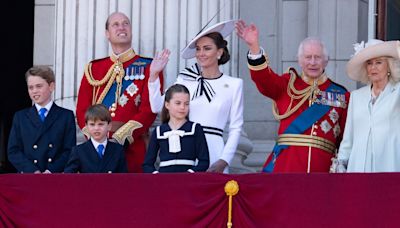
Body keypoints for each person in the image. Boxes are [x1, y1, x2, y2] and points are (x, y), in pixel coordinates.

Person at [235, 20, 349, 173]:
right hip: (287, 166)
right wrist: (254, 46)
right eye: (308, 57)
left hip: (323, 169)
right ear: (299, 61)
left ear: (326, 61)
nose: (313, 62)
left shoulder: (341, 95)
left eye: (317, 57)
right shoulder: (287, 85)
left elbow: (346, 140)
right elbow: (264, 79)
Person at [148, 20, 243, 173]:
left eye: (207, 48)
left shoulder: (234, 84)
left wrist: (224, 160)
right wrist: (153, 76)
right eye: (198, 49)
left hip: (215, 150)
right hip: (186, 147)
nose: (200, 54)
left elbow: (236, 128)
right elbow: (157, 107)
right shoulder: (185, 79)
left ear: (219, 52)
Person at [76, 12, 162, 173]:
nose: (121, 27)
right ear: (107, 33)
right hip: (97, 148)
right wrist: (96, 138)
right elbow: (82, 110)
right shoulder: (93, 68)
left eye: (126, 23)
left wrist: (119, 138)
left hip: (133, 147)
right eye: (115, 24)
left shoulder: (149, 66)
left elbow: (148, 110)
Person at [333, 39, 400, 172]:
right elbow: (348, 138)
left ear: (389, 66)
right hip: (358, 167)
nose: (373, 67)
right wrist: (341, 163)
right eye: (369, 63)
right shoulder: (356, 96)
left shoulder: (397, 92)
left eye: (379, 63)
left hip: (389, 165)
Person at [7, 66, 76, 173]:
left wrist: (51, 170)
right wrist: (32, 170)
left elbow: (69, 150)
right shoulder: (20, 117)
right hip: (28, 177)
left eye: (39, 86)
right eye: (31, 87)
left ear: (51, 86)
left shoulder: (66, 116)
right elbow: (13, 151)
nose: (34, 91)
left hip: (54, 176)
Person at [143, 84, 209, 173]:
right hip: (164, 181)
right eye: (178, 103)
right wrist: (157, 176)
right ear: (167, 104)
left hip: (188, 181)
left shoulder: (195, 129)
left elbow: (204, 161)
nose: (182, 107)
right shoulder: (158, 131)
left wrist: (190, 174)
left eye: (186, 104)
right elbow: (147, 164)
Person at [65, 104, 128, 173]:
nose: (96, 128)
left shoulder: (118, 150)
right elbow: (69, 178)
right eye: (92, 124)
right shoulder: (78, 151)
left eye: (100, 124)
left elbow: (123, 179)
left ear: (109, 126)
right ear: (86, 126)